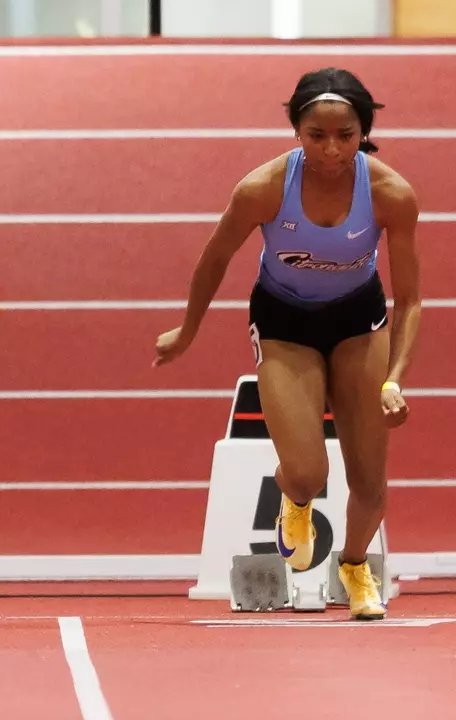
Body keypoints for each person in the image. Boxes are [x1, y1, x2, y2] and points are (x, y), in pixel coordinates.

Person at [153, 68, 420, 620]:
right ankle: (293, 500)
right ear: (295, 130)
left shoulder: (391, 194)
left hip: (358, 322)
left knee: (370, 478)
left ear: (363, 131)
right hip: (284, 322)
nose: (330, 148)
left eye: (345, 135)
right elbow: (216, 257)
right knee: (306, 472)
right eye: (315, 135)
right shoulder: (265, 187)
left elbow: (410, 300)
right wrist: (188, 329)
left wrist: (394, 378)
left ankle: (352, 567)